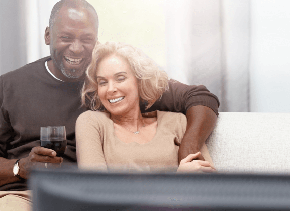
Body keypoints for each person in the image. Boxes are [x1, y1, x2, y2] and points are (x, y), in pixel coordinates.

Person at [0, 0, 219, 210]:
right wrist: (19, 168)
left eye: (86, 39)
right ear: (47, 35)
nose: (76, 49)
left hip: (84, 199)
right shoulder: (12, 85)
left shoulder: (109, 82)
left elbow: (200, 98)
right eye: (66, 37)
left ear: (96, 40)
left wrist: (188, 148)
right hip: (25, 194)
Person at [76, 42, 215, 173]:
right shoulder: (91, 122)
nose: (110, 89)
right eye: (103, 82)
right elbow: (94, 190)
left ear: (140, 80)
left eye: (120, 78)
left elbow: (210, 184)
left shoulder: (178, 121)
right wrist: (178, 180)